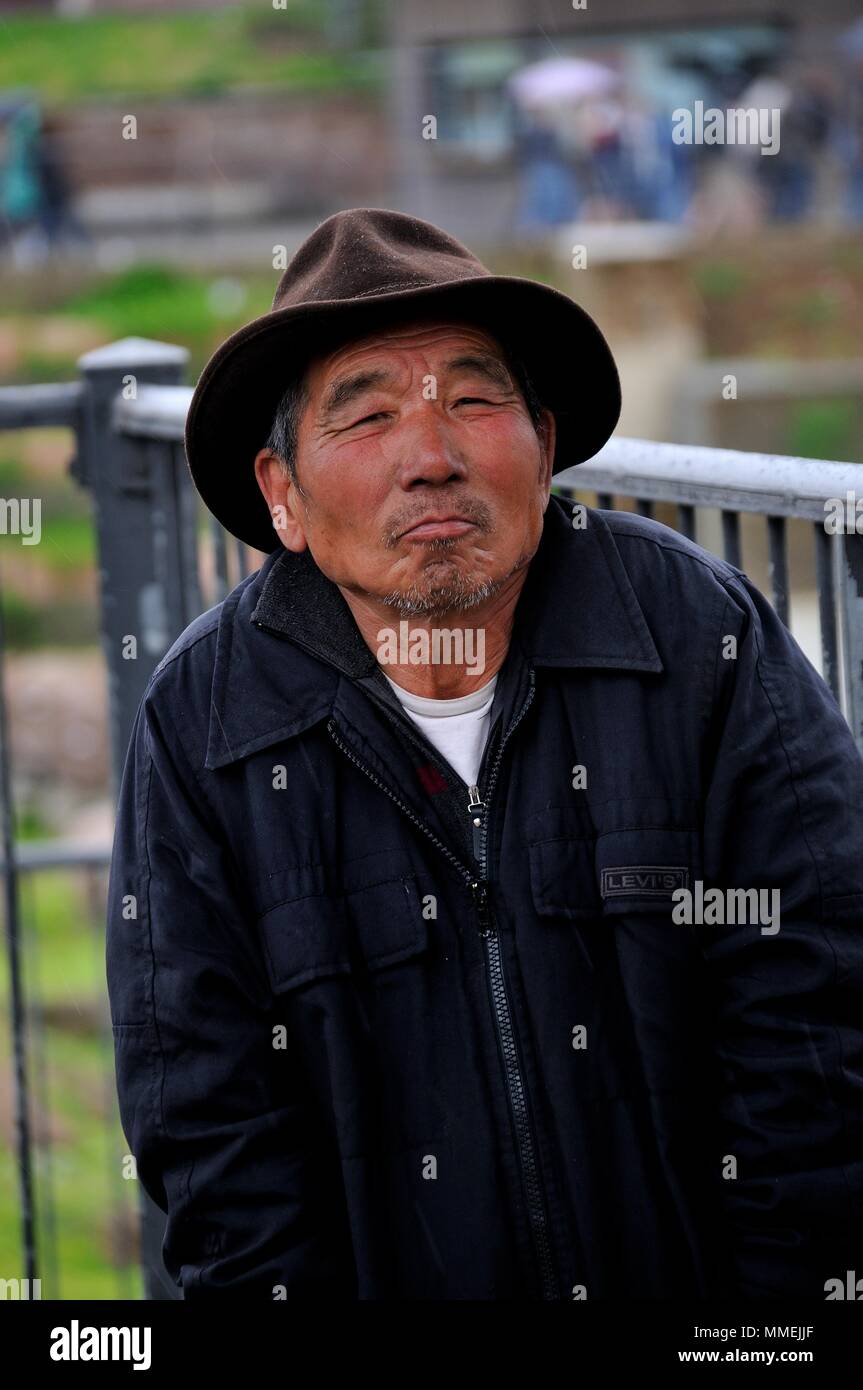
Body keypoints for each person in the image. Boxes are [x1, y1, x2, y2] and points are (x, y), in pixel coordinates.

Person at [106, 207, 863, 1300]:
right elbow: (212, 1133)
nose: (433, 457)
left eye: (472, 399)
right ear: (282, 495)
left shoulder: (697, 636)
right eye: (365, 418)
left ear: (545, 444)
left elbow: (818, 1024)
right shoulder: (206, 724)